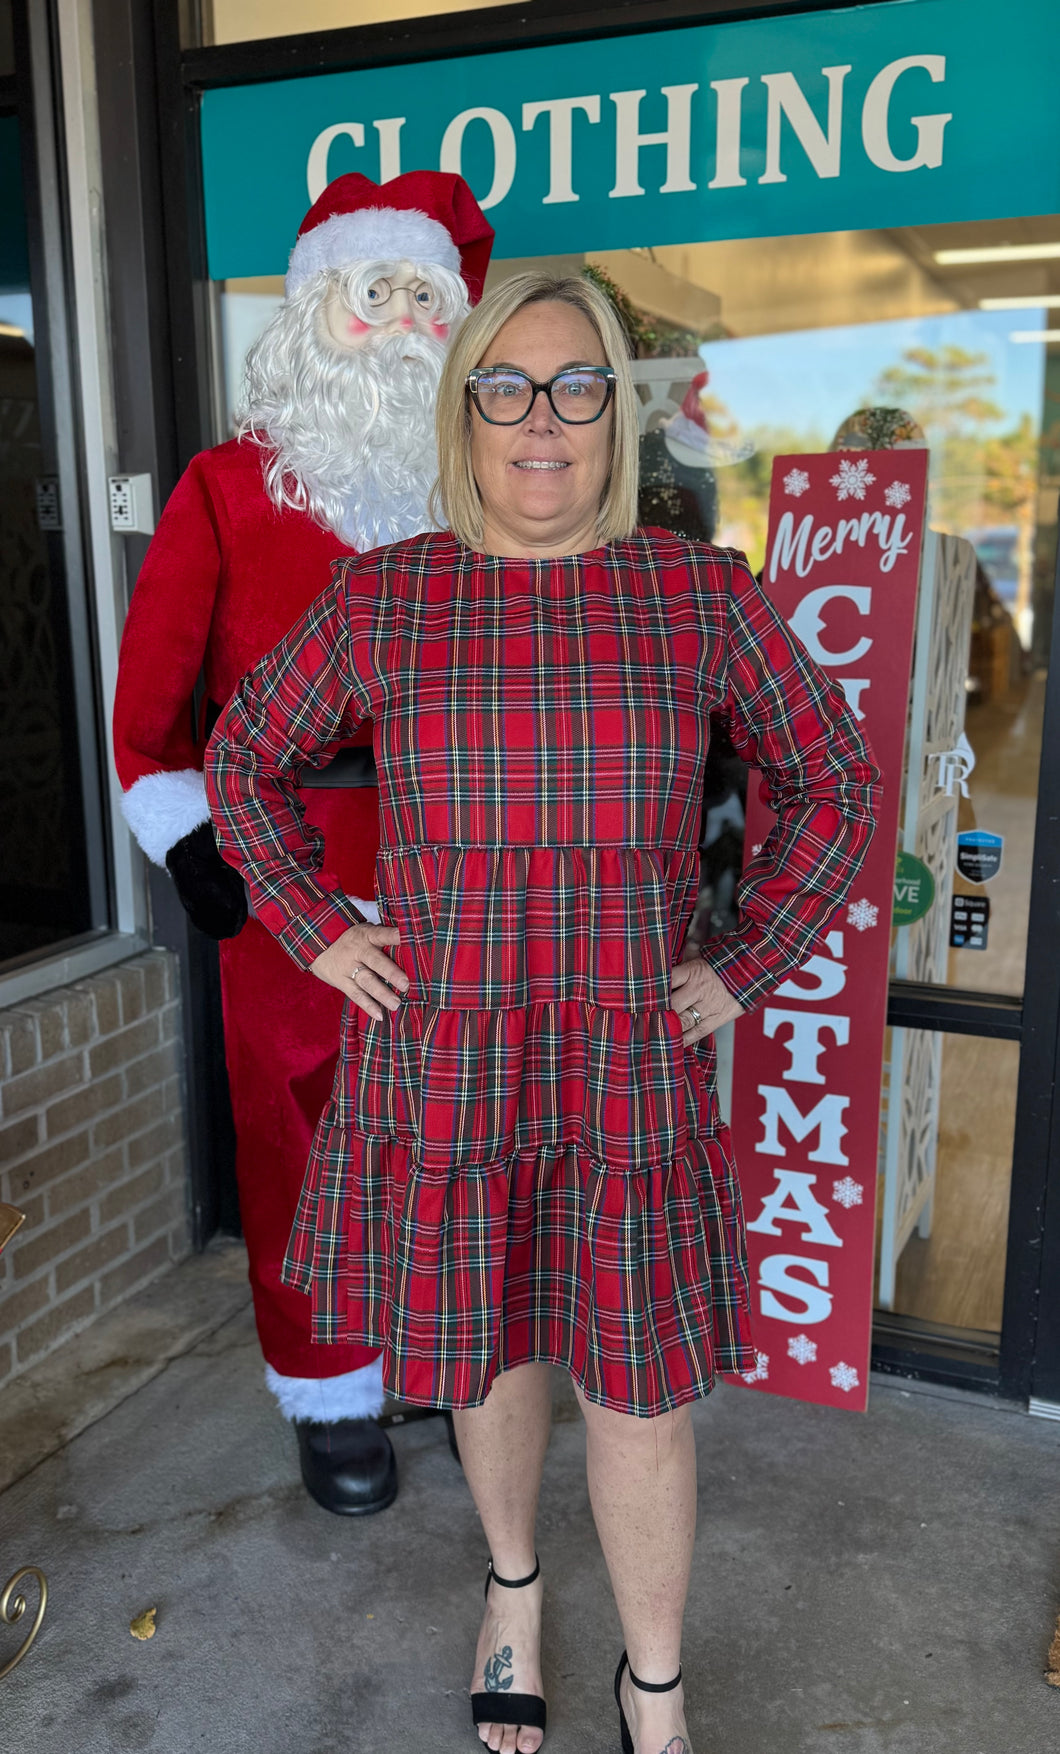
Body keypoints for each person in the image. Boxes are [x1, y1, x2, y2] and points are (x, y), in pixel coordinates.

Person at [205, 273, 879, 1754]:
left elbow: (837, 781)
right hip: (451, 1063)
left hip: (626, 1067)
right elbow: (242, 758)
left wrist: (744, 962)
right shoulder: (389, 596)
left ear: (618, 418)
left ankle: (656, 1676)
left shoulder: (694, 593)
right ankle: (512, 1590)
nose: (543, 422)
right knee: (491, 1350)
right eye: (505, 387)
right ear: (464, 412)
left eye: (580, 388)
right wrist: (320, 929)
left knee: (639, 1396)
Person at [111, 171, 492, 1516]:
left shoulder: (485, 498)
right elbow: (148, 715)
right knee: (308, 1138)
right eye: (369, 292)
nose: (394, 322)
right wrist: (192, 846)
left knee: (452, 1127)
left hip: (461, 875)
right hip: (289, 877)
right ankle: (331, 1386)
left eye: (419, 299)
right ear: (317, 310)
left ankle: (445, 1351)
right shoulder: (224, 488)